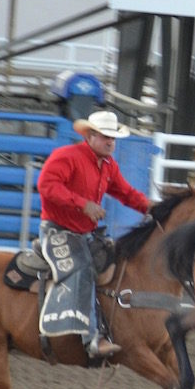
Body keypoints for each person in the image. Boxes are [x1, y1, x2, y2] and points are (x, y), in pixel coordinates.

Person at [36, 109, 150, 358]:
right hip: (58, 230)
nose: (111, 142)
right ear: (90, 135)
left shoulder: (108, 165)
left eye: (113, 137)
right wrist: (83, 204)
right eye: (105, 136)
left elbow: (126, 193)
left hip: (84, 233)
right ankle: (92, 339)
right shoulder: (67, 156)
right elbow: (46, 185)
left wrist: (151, 208)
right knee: (84, 267)